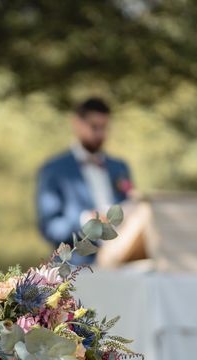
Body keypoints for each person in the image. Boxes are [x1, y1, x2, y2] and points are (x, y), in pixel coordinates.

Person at [36, 97, 133, 265]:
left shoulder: (120, 168)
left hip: (123, 263)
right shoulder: (53, 170)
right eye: (94, 127)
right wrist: (84, 220)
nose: (100, 134)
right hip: (76, 268)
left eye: (104, 128)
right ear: (77, 123)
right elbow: (50, 229)